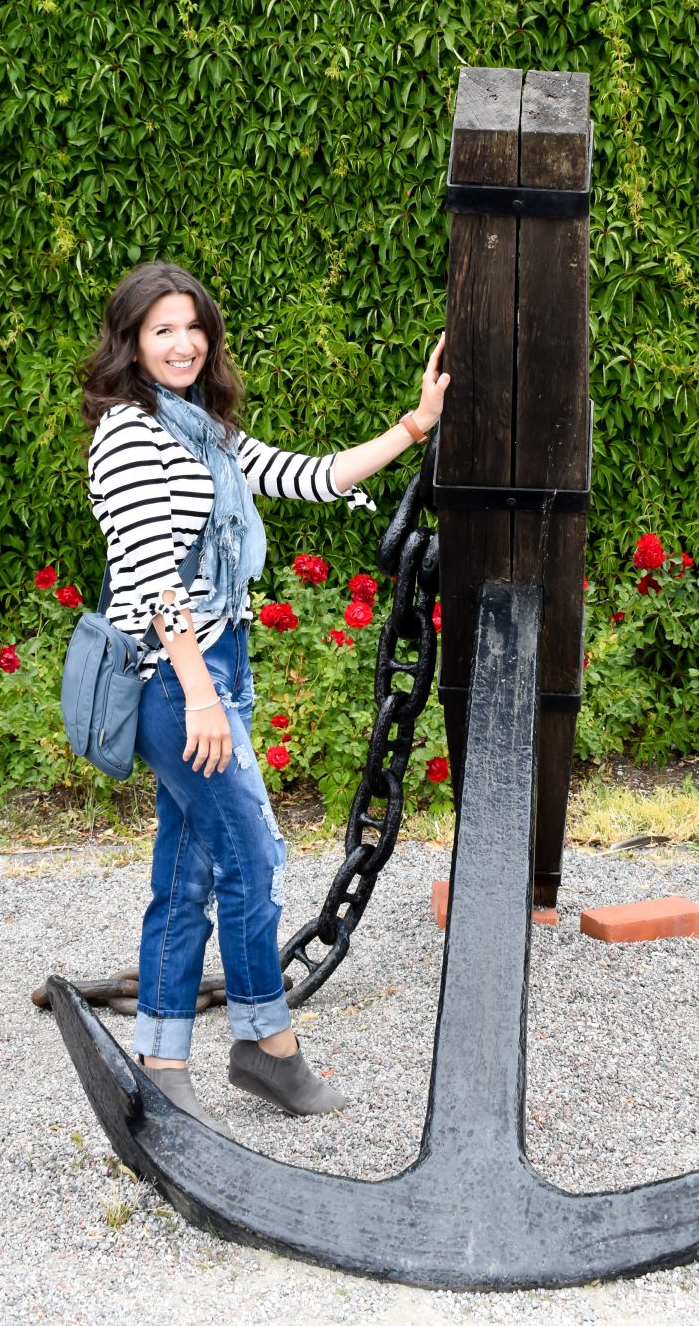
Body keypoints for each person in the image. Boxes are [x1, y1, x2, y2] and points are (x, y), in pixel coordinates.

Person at [79, 261, 447, 1132]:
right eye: (161, 329)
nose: (182, 343)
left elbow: (309, 475)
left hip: (216, 671)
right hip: (178, 678)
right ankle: (265, 1046)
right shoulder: (129, 436)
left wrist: (415, 424)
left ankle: (164, 1064)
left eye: (193, 326)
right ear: (131, 341)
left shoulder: (205, 433)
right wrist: (202, 698)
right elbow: (153, 576)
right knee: (255, 860)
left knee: (190, 870)